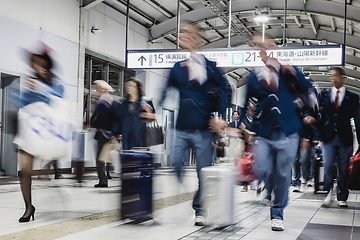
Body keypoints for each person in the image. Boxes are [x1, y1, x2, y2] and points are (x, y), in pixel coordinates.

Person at [160, 21, 231, 226]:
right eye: (183, 34)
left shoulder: (211, 67)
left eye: (191, 34)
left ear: (199, 38)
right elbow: (166, 89)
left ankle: (200, 210)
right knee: (174, 162)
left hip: (203, 129)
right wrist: (154, 107)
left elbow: (226, 91)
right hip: (182, 126)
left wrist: (221, 117)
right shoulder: (178, 68)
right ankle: (182, 185)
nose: (187, 37)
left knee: (204, 172)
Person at [240, 33, 312, 231]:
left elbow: (307, 87)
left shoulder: (287, 72)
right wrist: (244, 126)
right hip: (264, 132)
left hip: (288, 131)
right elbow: (245, 104)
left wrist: (294, 71)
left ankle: (277, 212)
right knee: (263, 168)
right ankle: (267, 190)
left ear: (274, 49)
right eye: (259, 47)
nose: (264, 50)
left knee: (282, 173)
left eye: (267, 46)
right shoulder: (254, 79)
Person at [17, 49, 64, 222]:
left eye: (41, 64)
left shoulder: (55, 83)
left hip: (47, 132)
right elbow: (20, 102)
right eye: (35, 63)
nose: (37, 67)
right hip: (28, 131)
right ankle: (29, 207)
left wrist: (41, 89)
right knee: (25, 171)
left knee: (40, 166)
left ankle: (49, 164)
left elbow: (58, 100)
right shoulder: (30, 81)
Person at [319, 67, 360, 208]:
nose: (332, 78)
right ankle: (328, 193)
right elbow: (321, 117)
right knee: (328, 165)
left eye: (335, 75)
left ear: (342, 77)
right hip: (328, 137)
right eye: (330, 76)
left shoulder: (353, 97)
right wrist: (319, 136)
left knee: (343, 169)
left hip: (345, 137)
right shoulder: (324, 95)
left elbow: (358, 118)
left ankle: (342, 196)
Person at [90, 80, 120, 188]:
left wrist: (117, 133)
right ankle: (103, 180)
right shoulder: (100, 102)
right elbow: (94, 118)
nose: (96, 90)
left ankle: (105, 179)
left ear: (104, 89)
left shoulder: (115, 104)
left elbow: (118, 119)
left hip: (110, 134)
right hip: (102, 134)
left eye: (98, 88)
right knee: (101, 158)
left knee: (104, 158)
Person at [113, 78, 155, 150]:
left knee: (139, 158)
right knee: (127, 159)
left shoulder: (146, 101)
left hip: (140, 137)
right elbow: (118, 119)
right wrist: (115, 133)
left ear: (137, 88)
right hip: (126, 137)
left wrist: (148, 111)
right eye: (127, 85)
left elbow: (152, 119)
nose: (128, 87)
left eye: (131, 85)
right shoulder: (123, 103)